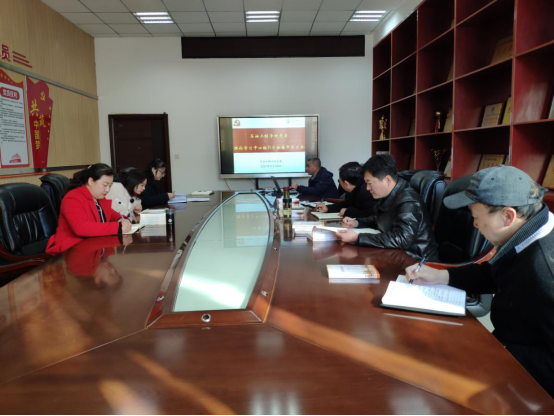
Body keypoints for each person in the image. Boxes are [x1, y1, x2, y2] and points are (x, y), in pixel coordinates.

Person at [405, 166, 554, 398]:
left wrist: (498, 354)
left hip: (523, 378)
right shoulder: (528, 230)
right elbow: (497, 272)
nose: (474, 225)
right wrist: (441, 275)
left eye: (476, 217)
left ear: (508, 216)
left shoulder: (544, 270)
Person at [338, 154, 439, 261]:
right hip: (397, 255)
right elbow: (378, 219)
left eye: (369, 183)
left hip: (417, 261)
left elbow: (402, 238)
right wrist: (357, 223)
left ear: (387, 180)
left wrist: (357, 238)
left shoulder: (409, 201)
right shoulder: (388, 194)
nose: (367, 188)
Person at [46, 164, 133, 254]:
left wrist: (122, 219)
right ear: (91, 181)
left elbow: (112, 214)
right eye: (105, 185)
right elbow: (80, 228)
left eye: (110, 186)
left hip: (93, 247)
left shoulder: (99, 198)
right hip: (72, 250)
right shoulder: (73, 197)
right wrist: (118, 227)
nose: (107, 190)